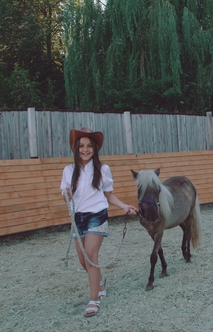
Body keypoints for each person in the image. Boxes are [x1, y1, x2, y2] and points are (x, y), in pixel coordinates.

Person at [60, 127, 137, 317]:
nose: (85, 150)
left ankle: (93, 300)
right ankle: (100, 283)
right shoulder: (69, 170)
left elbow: (108, 195)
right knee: (82, 260)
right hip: (78, 218)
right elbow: (66, 196)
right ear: (76, 148)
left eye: (89, 146)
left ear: (95, 148)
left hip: (97, 215)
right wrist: (67, 195)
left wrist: (123, 206)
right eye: (81, 146)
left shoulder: (103, 169)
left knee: (90, 255)